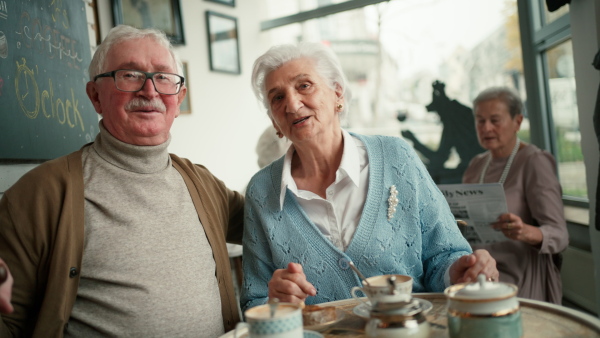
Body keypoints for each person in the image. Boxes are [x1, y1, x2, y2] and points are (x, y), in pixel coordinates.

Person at [0, 25, 244, 337]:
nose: (150, 91)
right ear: (95, 96)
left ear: (179, 98)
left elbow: (271, 219)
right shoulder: (39, 195)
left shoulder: (203, 185)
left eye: (163, 76)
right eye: (129, 74)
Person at [240, 42, 498, 311]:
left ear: (337, 93)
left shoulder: (397, 157)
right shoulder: (261, 191)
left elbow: (445, 254)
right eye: (277, 97)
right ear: (274, 121)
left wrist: (459, 271)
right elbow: (254, 302)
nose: (292, 104)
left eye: (304, 85)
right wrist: (275, 303)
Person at [462, 87, 569, 304]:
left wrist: (524, 232)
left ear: (518, 122)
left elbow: (559, 234)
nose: (487, 128)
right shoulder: (476, 165)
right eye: (480, 121)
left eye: (495, 120)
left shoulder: (534, 161)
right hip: (480, 276)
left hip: (521, 278)